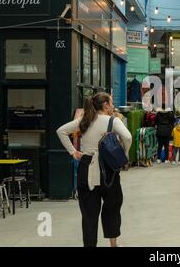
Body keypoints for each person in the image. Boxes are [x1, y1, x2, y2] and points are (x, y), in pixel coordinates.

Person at [56, 92, 132, 247]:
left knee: (89, 214)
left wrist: (73, 152)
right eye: (111, 103)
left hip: (86, 168)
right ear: (105, 105)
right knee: (112, 207)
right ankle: (113, 244)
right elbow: (128, 137)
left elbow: (61, 131)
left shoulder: (84, 120)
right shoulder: (113, 121)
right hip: (108, 171)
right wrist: (124, 153)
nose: (112, 106)